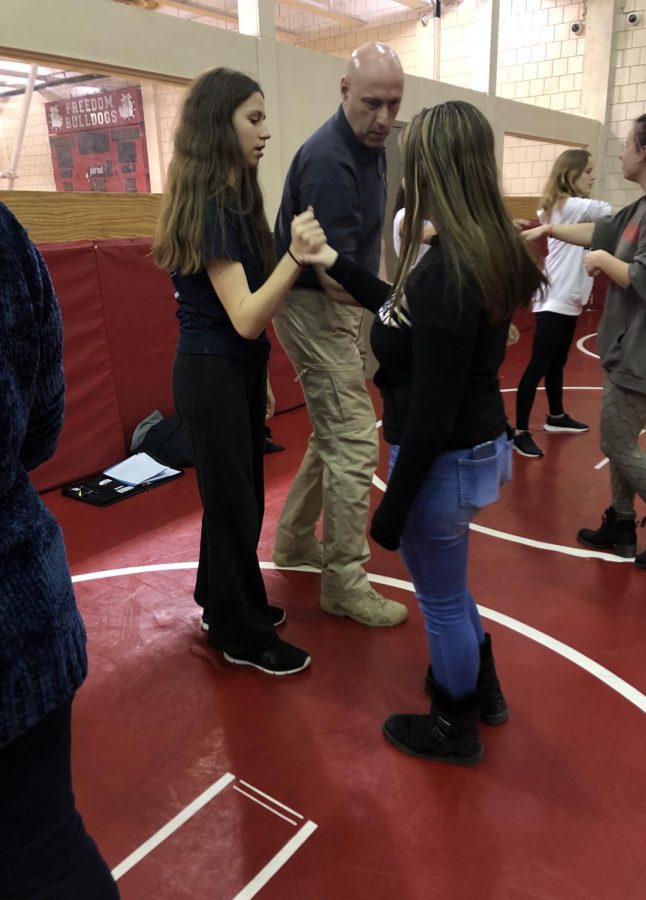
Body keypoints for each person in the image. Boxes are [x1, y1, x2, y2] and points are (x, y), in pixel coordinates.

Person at [300, 101, 545, 764]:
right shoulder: (466, 253)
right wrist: (331, 260)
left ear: (433, 167)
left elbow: (433, 411)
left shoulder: (448, 271)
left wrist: (389, 511)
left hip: (443, 460)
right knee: (451, 588)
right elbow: (397, 311)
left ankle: (453, 725)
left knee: (439, 601)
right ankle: (480, 690)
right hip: (471, 455)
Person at [153, 68, 325, 675]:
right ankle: (240, 633)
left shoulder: (233, 201)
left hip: (232, 370)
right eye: (253, 118)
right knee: (236, 508)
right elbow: (248, 314)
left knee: (236, 502)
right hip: (210, 371)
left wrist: (264, 377)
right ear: (218, 124)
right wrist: (297, 257)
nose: (265, 132)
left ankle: (217, 598)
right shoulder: (212, 206)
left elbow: (246, 322)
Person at [0, 203, 119, 897]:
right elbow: (41, 431)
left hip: (23, 622)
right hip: (26, 611)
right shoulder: (8, 234)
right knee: (46, 854)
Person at [272, 43, 409, 628]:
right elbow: (330, 277)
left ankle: (294, 540)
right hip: (311, 303)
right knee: (354, 438)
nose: (383, 117)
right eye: (373, 103)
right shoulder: (330, 159)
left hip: (338, 302)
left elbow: (360, 251)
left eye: (394, 105)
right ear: (344, 90)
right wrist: (396, 311)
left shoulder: (372, 147)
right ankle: (344, 583)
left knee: (333, 428)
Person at [523, 110, 646, 569]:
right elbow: (599, 231)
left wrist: (602, 261)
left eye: (628, 144)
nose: (623, 152)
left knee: (616, 443)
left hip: (645, 350)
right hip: (627, 345)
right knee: (619, 437)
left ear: (644, 152)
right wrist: (550, 230)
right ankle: (622, 525)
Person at [513, 150, 612, 458]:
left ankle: (556, 416)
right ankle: (520, 432)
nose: (593, 177)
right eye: (588, 172)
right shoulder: (569, 205)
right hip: (555, 298)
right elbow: (610, 212)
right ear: (571, 175)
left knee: (557, 363)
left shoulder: (563, 207)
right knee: (538, 366)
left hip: (567, 297)